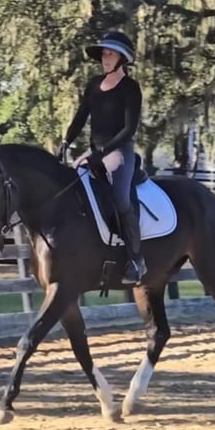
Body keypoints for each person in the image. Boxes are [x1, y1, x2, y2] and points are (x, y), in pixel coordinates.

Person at [57, 31, 147, 285]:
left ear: (122, 58)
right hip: (93, 151)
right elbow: (80, 117)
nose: (105, 58)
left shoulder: (130, 88)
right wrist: (66, 141)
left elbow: (129, 129)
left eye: (110, 54)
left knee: (120, 199)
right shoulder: (94, 85)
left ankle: (136, 259)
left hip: (119, 151)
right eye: (104, 54)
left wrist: (103, 151)